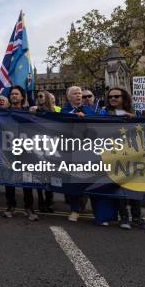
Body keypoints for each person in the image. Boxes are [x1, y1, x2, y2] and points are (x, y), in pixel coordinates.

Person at [100, 87, 145, 231]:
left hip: (134, 153)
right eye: (110, 97)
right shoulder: (103, 112)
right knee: (119, 187)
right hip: (114, 154)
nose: (112, 99)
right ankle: (124, 217)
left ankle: (137, 218)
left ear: (124, 98)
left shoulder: (135, 112)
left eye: (116, 96)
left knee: (135, 186)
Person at [2, 86, 38, 221]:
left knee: (27, 180)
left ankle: (29, 208)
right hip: (9, 151)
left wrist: (37, 110)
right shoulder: (4, 112)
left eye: (17, 94)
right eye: (12, 94)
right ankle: (10, 206)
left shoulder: (28, 111)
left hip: (26, 151)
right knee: (9, 180)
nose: (14, 96)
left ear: (22, 97)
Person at [61, 86, 96, 221]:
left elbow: (98, 121)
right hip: (70, 150)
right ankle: (74, 210)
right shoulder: (64, 110)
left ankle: (87, 207)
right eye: (75, 93)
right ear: (69, 97)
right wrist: (73, 116)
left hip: (87, 150)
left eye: (80, 93)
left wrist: (85, 117)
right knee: (73, 181)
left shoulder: (88, 109)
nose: (79, 95)